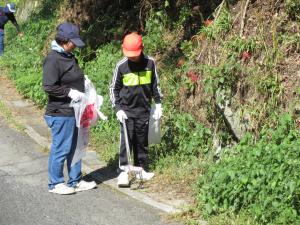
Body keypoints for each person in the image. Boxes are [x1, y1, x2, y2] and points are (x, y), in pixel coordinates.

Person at [42, 22, 97, 195]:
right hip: (60, 112)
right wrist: (70, 92)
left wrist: (83, 82)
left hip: (75, 110)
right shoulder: (53, 59)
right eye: (72, 41)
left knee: (76, 146)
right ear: (63, 40)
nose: (74, 45)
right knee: (62, 147)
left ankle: (75, 180)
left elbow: (71, 76)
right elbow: (49, 86)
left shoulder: (68, 55)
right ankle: (55, 183)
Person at [109, 32, 163, 187]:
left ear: (142, 48)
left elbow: (155, 85)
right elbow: (113, 88)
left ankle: (141, 170)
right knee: (126, 142)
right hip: (126, 111)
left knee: (142, 141)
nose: (132, 57)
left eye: (135, 54)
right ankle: (123, 172)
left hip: (144, 110)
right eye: (129, 54)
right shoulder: (121, 66)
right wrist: (117, 108)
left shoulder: (150, 63)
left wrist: (158, 104)